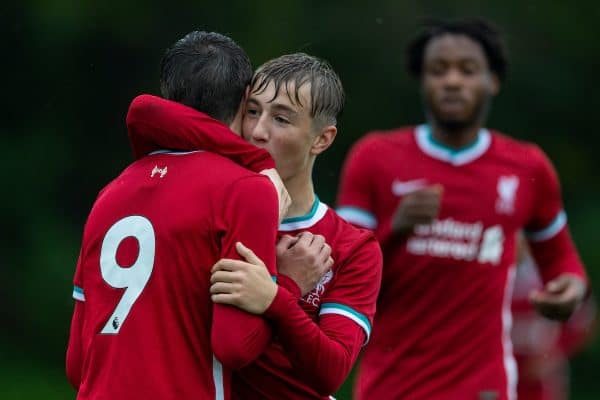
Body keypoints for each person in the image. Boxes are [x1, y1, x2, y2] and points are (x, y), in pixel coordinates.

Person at [335, 18, 589, 400]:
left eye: (467, 70)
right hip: (392, 386)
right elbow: (339, 273)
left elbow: (563, 262)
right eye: (439, 70)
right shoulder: (374, 158)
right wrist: (395, 228)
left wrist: (571, 290)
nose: (452, 81)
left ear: (493, 81)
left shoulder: (526, 167)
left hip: (483, 387)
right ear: (422, 80)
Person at [125, 52, 383, 399]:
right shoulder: (203, 213)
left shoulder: (352, 247)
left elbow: (330, 372)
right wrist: (287, 283)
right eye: (252, 112)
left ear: (322, 139)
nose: (258, 131)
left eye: (281, 119)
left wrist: (274, 299)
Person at [66, 31, 287, 400]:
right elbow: (235, 345)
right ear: (244, 98)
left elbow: (77, 363)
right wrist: (287, 287)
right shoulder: (247, 190)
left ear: (169, 94)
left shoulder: (109, 194)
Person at [512, 235, 596, 400]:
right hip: (499, 375)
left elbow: (585, 322)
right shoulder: (488, 275)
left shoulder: (551, 276)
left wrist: (556, 352)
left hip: (541, 382)